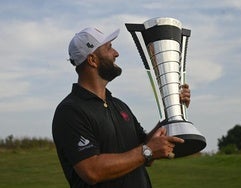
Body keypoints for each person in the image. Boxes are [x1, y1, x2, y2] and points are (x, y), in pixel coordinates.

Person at [52, 27, 191, 188]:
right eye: (109, 47)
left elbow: (145, 148)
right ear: (92, 60)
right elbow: (91, 170)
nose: (116, 53)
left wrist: (172, 107)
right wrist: (147, 151)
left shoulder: (119, 106)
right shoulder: (70, 111)